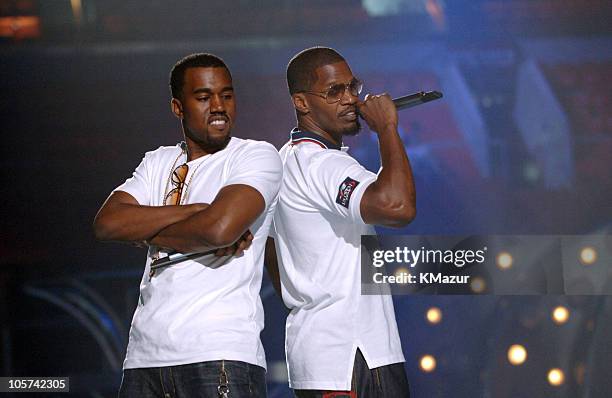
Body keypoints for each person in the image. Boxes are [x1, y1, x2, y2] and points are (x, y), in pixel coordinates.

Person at [93, 53, 282, 398]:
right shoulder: (157, 161)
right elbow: (107, 223)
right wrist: (195, 211)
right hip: (143, 357)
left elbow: (218, 230)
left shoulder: (254, 156)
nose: (219, 106)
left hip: (219, 352)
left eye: (227, 95)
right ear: (178, 108)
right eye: (204, 97)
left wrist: (145, 230)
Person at [267, 47, 416, 397]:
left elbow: (273, 255)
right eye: (335, 91)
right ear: (302, 103)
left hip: (319, 354)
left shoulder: (282, 162)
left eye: (353, 86)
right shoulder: (322, 166)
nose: (351, 99)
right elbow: (398, 206)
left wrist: (308, 294)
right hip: (353, 352)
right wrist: (387, 128)